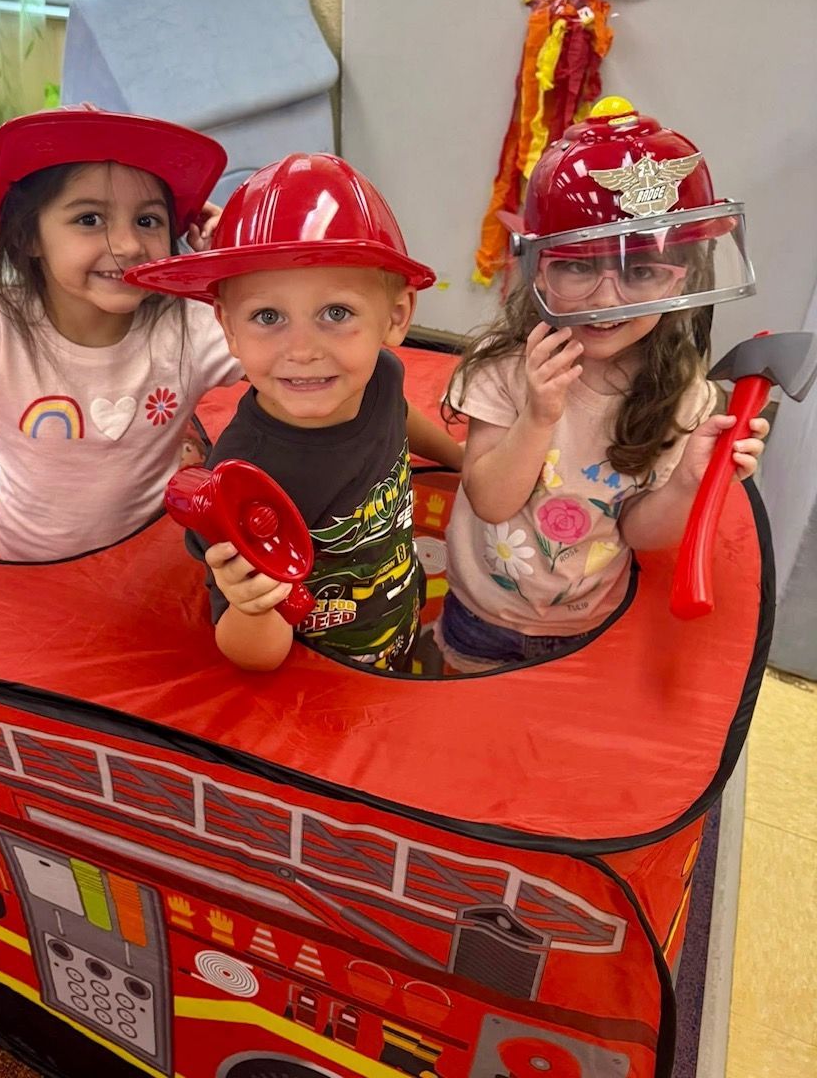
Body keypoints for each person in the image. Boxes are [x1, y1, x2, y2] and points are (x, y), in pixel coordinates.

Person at [439, 97, 768, 673]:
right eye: (579, 265)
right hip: (482, 611)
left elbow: (638, 532)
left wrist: (687, 483)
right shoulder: (504, 371)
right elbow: (489, 501)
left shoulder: (683, 396)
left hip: (588, 617)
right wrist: (538, 416)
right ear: (540, 268)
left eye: (641, 271)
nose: (606, 299)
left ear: (685, 276)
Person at [126, 153, 463, 673]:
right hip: (325, 675)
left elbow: (397, 414)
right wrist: (249, 601)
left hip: (401, 609)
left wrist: (457, 458)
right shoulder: (240, 478)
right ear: (229, 328)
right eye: (268, 316)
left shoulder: (382, 375)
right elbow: (253, 656)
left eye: (336, 313)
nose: (302, 349)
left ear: (395, 318)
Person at [0, 108, 242, 561]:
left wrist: (231, 274)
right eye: (89, 219)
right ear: (30, 237)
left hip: (142, 558)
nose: (129, 245)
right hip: (27, 563)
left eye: (148, 221)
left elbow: (294, 358)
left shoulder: (188, 326)